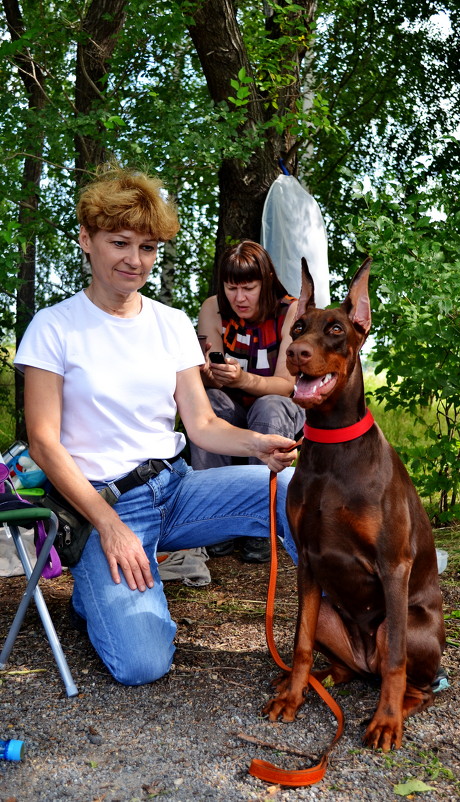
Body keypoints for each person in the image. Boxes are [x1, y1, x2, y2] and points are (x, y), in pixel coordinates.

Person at [13, 165, 298, 687]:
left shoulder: (169, 323)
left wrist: (259, 443)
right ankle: (97, 586)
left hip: (177, 488)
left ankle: (348, 624)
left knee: (295, 490)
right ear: (86, 240)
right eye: (120, 242)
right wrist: (109, 526)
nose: (134, 259)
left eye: (147, 248)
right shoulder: (54, 327)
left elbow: (203, 424)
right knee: (143, 664)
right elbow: (44, 443)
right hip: (106, 503)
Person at [190, 240, 305, 563]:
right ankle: (213, 519)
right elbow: (207, 381)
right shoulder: (212, 308)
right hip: (231, 407)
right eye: (231, 288)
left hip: (278, 407)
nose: (239, 298)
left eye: (248, 288)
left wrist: (242, 379)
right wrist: (207, 372)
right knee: (208, 402)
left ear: (266, 281)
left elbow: (285, 386)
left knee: (269, 406)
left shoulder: (291, 311)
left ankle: (263, 524)